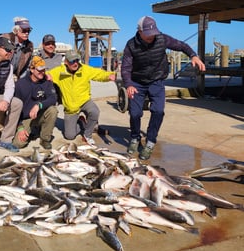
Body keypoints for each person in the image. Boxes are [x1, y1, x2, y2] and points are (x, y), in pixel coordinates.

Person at [121, 15, 206, 160]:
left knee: (158, 111)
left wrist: (193, 56)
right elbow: (125, 67)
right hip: (137, 82)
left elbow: (181, 45)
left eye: (153, 34)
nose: (151, 37)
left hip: (157, 80)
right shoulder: (131, 45)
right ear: (139, 31)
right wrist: (128, 84)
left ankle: (150, 141)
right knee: (135, 113)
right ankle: (135, 137)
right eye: (148, 34)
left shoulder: (162, 38)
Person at [48, 50, 116, 147]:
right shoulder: (59, 71)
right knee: (69, 136)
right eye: (72, 61)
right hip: (71, 108)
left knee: (95, 111)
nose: (75, 63)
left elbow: (98, 74)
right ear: (66, 62)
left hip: (84, 101)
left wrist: (109, 76)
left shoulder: (85, 69)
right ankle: (81, 122)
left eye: (77, 60)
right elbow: (46, 75)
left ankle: (87, 135)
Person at [12, 56, 58, 150]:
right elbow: (14, 110)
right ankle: (28, 131)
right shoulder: (20, 84)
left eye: (44, 70)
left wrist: (39, 105)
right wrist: (20, 127)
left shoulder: (47, 82)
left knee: (53, 110)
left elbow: (53, 98)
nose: (42, 72)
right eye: (39, 70)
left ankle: (45, 139)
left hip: (38, 114)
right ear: (32, 69)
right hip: (24, 118)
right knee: (18, 144)